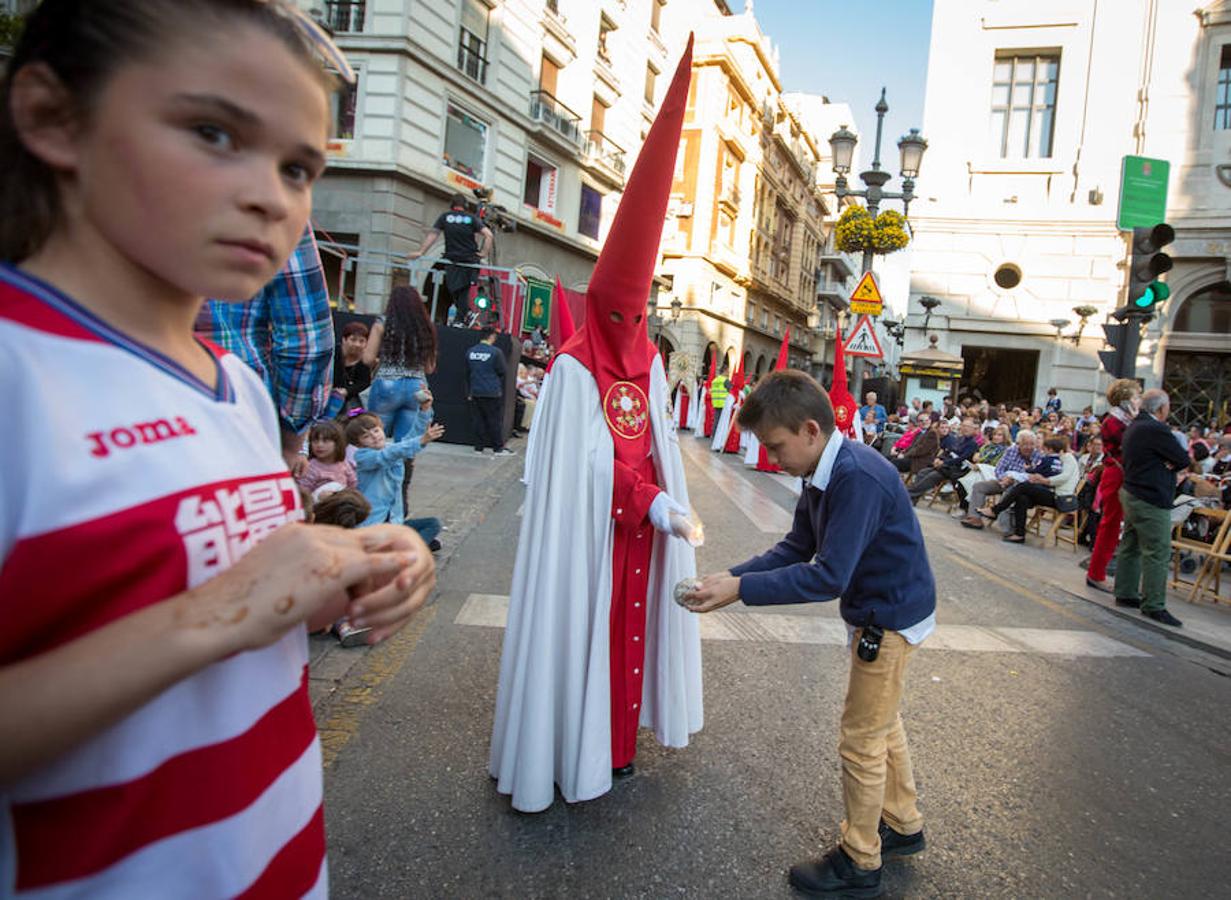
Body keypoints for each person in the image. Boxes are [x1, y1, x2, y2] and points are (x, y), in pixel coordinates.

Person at [0, 3, 435, 895]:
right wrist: (224, 611)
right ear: (51, 116)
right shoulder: (17, 370)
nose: (272, 197)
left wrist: (340, 576)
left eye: (298, 167)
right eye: (212, 132)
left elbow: (238, 606)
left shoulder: (237, 385)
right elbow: (216, 612)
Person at [490, 40, 703, 814]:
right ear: (597, 305)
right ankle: (571, 749)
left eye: (639, 313)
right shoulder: (574, 369)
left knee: (625, 643)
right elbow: (580, 468)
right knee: (581, 634)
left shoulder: (646, 363)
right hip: (594, 533)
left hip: (639, 536)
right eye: (620, 313)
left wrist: (660, 498)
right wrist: (648, 500)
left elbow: (655, 445)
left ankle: (614, 744)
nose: (630, 326)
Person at [684, 370, 935, 898]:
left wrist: (741, 591)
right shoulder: (826, 469)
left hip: (887, 615)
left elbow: (827, 575)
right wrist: (733, 577)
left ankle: (860, 859)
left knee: (862, 739)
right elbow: (798, 545)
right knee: (882, 724)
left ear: (811, 430)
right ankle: (902, 824)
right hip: (885, 608)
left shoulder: (855, 477)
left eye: (777, 446)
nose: (773, 459)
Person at [1114, 390, 1191, 627]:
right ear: (1161, 408)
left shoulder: (1135, 426)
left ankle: (1126, 591)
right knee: (1158, 551)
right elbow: (1182, 458)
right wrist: (1167, 463)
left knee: (1131, 544)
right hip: (1150, 496)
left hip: (1132, 491)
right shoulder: (1156, 429)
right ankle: (1154, 604)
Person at [346, 412, 445, 534]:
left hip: (394, 521)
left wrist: (424, 411)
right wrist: (420, 441)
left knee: (433, 524)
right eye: (366, 436)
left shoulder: (390, 447)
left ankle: (406, 547)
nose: (374, 436)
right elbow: (387, 455)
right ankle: (407, 549)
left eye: (376, 431)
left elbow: (409, 440)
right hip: (373, 524)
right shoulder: (362, 457)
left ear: (382, 429)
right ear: (359, 444)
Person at [1085, 379, 1141, 593]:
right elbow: (1128, 444)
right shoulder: (1114, 421)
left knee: (1114, 525)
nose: (1138, 400)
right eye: (1135, 395)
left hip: (1122, 473)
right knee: (1110, 524)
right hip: (1117, 474)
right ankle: (1096, 572)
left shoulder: (1124, 419)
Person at [981, 435, 1079, 543]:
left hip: (1060, 496)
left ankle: (996, 510)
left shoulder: (1068, 458)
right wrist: (1038, 478)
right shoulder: (1058, 458)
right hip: (1049, 491)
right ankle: (1019, 534)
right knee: (1022, 498)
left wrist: (1043, 480)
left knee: (1023, 486)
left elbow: (1063, 478)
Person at [410, 192, 493, 312]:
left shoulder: (445, 217)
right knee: (464, 290)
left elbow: (433, 235)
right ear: (465, 205)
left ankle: (463, 315)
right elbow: (489, 235)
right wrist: (483, 253)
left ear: (452, 205)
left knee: (453, 289)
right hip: (469, 261)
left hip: (452, 259)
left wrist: (421, 252)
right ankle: (464, 315)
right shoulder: (471, 219)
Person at [959, 430, 1041, 529]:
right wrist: (1003, 479)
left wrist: (1012, 478)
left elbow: (1035, 476)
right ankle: (975, 519)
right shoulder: (1011, 450)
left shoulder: (1038, 455)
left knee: (1010, 492)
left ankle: (1007, 527)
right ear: (1018, 444)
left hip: (1020, 485)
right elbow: (999, 469)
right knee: (979, 486)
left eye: (1031, 444)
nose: (1029, 447)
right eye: (1025, 444)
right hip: (1003, 481)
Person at [907, 417, 980, 503]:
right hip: (945, 465)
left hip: (955, 469)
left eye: (967, 426)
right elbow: (948, 451)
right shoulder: (959, 439)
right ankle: (913, 498)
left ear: (973, 429)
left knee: (932, 476)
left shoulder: (972, 444)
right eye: (963, 425)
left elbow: (961, 458)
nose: (964, 428)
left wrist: (944, 462)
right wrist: (939, 459)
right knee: (923, 472)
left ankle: (908, 495)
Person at [465, 327, 513, 456]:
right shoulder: (496, 352)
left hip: (475, 391)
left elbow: (467, 372)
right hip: (491, 391)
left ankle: (478, 448)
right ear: (491, 336)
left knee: (478, 420)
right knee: (494, 420)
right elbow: (503, 370)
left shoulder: (470, 352)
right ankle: (497, 448)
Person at [327, 319, 377, 419]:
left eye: (361, 341)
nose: (357, 344)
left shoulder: (365, 360)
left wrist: (347, 391)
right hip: (330, 397)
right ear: (344, 340)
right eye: (353, 340)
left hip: (353, 401)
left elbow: (364, 383)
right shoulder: (333, 354)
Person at [298, 420, 358, 495]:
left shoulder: (344, 464)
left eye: (325, 441)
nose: (319, 445)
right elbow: (303, 493)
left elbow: (353, 485)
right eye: (315, 441)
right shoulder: (310, 467)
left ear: (337, 444)